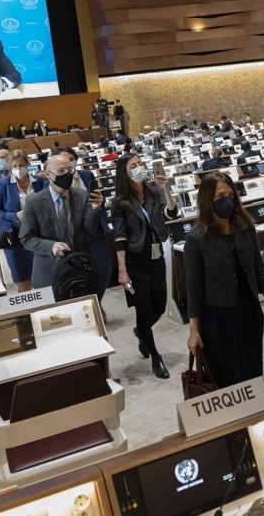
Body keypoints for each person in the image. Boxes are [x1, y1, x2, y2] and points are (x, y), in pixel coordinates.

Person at [184, 172, 264, 387]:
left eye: (230, 195)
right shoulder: (197, 237)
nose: (227, 201)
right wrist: (193, 331)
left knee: (252, 367)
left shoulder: (245, 226)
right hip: (217, 317)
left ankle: (255, 414)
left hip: (249, 310)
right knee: (226, 374)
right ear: (208, 200)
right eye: (220, 197)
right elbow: (194, 288)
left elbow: (258, 265)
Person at [112, 153, 179, 380]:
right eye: (134, 165)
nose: (140, 167)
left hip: (156, 255)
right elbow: (119, 238)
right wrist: (122, 270)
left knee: (159, 306)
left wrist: (168, 190)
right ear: (125, 172)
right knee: (143, 307)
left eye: (141, 164)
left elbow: (172, 212)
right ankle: (156, 358)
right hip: (135, 260)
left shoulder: (154, 190)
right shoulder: (120, 202)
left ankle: (141, 332)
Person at [19, 153, 103, 291]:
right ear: (47, 174)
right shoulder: (34, 202)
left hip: (81, 266)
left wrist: (94, 209)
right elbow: (26, 238)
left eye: (69, 170)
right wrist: (51, 246)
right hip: (49, 271)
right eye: (61, 171)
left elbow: (89, 229)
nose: (67, 174)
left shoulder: (82, 195)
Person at [48, 147, 113, 304]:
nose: (70, 163)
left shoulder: (86, 175)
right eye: (64, 161)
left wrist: (100, 214)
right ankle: (87, 303)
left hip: (94, 230)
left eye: (71, 159)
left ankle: (96, 302)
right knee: (78, 272)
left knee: (105, 269)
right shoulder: (53, 182)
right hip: (74, 235)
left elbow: (98, 199)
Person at [0, 149, 36, 293]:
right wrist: (15, 216)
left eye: (22, 165)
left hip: (38, 236)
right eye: (15, 166)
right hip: (14, 239)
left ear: (28, 164)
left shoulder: (39, 182)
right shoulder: (2, 184)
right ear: (10, 167)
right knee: (23, 281)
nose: (19, 169)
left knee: (42, 279)